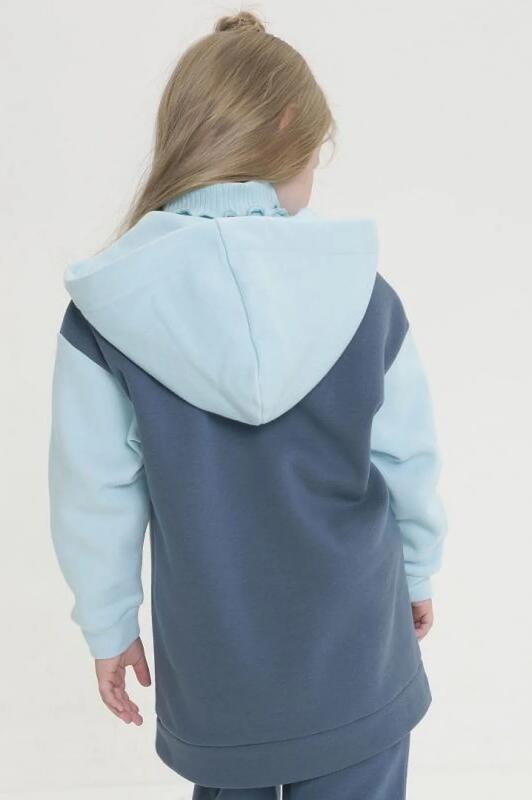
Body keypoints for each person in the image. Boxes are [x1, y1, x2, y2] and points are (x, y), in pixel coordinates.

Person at [48, 10, 447, 799]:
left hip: (219, 678)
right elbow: (409, 456)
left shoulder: (109, 310)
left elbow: (92, 494)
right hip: (359, 660)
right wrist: (418, 568)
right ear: (288, 128)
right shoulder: (363, 293)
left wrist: (109, 623)